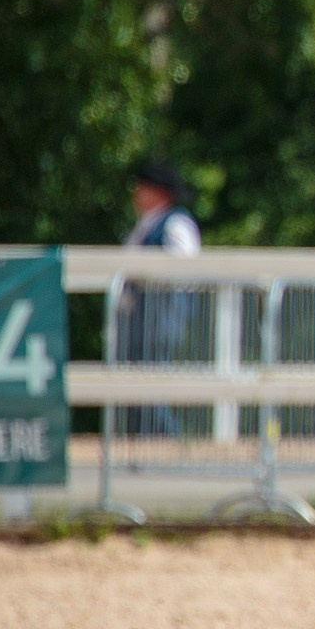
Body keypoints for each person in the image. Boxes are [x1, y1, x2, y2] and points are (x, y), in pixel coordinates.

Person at [119, 159, 201, 435]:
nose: (135, 193)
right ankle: (146, 442)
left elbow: (184, 268)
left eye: (141, 187)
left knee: (151, 384)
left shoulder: (175, 223)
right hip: (142, 316)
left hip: (161, 316)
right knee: (140, 385)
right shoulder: (146, 225)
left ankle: (167, 442)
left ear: (158, 191)